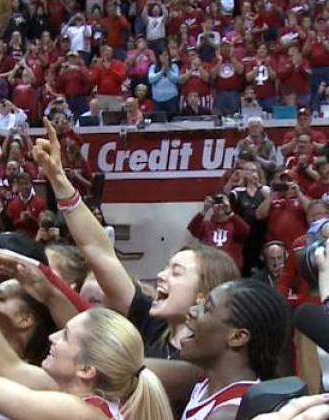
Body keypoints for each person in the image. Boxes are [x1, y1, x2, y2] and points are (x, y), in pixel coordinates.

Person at [32, 117, 240, 359]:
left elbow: (127, 371)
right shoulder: (152, 325)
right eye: (166, 268)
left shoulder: (202, 360)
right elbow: (98, 251)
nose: (160, 276)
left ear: (203, 294)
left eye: (176, 272)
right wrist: (59, 180)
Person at [0, 256, 174, 420]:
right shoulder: (77, 394)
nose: (53, 336)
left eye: (66, 336)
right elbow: (9, 368)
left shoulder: (81, 412)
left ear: (86, 369)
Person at [149, 280, 290, 418]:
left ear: (238, 337)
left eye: (207, 308)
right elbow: (133, 368)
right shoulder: (204, 379)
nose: (191, 311)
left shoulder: (228, 413)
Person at [187, 194, 251, 271]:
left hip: (230, 268)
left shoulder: (235, 224)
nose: (220, 205)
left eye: (222, 202)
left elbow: (245, 231)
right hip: (210, 267)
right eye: (216, 202)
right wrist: (204, 210)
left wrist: (229, 211)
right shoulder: (206, 225)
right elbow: (192, 229)